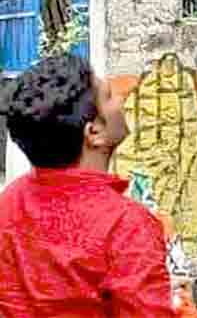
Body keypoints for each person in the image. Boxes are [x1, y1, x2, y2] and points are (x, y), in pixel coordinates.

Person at [0, 54, 176, 317]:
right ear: (94, 132)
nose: (121, 100)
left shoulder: (9, 202)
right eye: (109, 96)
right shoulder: (126, 226)